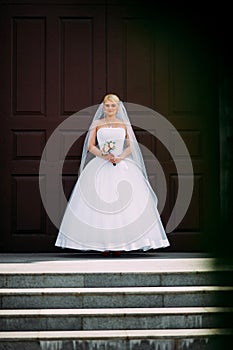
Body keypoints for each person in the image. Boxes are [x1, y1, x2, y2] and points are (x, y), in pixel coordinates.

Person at [55, 93, 170, 255]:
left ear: (118, 107)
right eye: (107, 105)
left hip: (121, 164)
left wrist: (120, 157)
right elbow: (91, 145)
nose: (110, 108)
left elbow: (131, 146)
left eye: (113, 105)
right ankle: (103, 244)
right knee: (98, 202)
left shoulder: (124, 124)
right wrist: (104, 155)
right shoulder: (97, 123)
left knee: (125, 203)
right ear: (103, 107)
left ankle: (120, 245)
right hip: (101, 164)